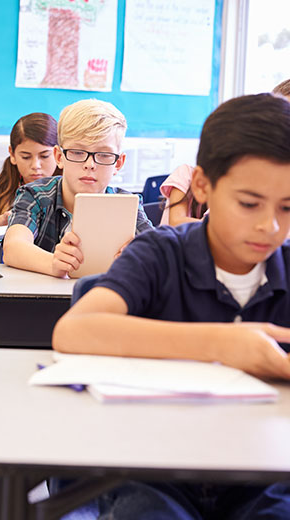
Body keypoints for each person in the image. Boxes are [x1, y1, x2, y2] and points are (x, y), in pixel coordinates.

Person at [53, 93, 290, 518]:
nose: (268, 226)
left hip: (266, 473)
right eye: (249, 203)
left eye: (288, 207)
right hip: (154, 472)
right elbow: (74, 331)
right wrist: (225, 344)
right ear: (201, 186)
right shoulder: (161, 253)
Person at [3, 99, 152, 277]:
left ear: (118, 163)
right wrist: (53, 263)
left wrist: (142, 256)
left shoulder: (128, 205)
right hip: (42, 302)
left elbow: (160, 253)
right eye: (78, 152)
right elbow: (13, 247)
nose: (90, 165)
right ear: (59, 156)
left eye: (104, 155)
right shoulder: (35, 195)